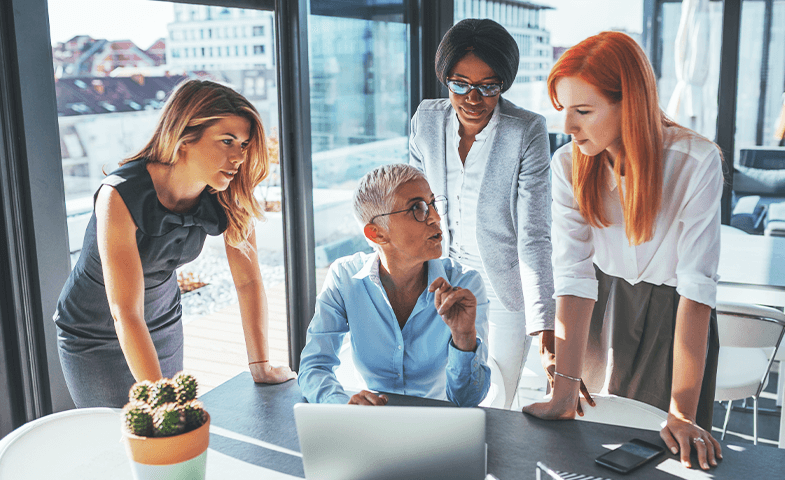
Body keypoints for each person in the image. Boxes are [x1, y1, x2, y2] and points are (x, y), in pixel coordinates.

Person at [523, 31, 724, 471]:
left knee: (667, 461)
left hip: (677, 318)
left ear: (628, 104)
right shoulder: (567, 166)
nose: (568, 128)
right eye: (563, 110)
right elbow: (574, 278)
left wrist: (682, 413)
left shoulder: (696, 161)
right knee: (589, 454)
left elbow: (695, 288)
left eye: (583, 111)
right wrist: (563, 389)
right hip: (599, 311)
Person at [55, 79, 295, 408]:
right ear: (184, 137)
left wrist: (260, 366)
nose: (239, 156)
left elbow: (249, 280)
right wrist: (162, 400)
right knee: (118, 436)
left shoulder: (228, 192)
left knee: (171, 437)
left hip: (162, 320)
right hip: (94, 331)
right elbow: (124, 312)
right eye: (227, 141)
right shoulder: (119, 194)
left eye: (243, 143)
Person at [409, 18, 555, 408]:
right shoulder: (426, 120)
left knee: (498, 397)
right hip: (444, 279)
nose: (473, 99)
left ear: (503, 85)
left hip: (505, 286)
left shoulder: (526, 131)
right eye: (460, 84)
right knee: (444, 387)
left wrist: (543, 324)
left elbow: (535, 235)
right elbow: (414, 209)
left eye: (488, 87)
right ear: (445, 79)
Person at [298, 164, 490, 407]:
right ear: (377, 234)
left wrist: (464, 338)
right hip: (371, 427)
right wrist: (342, 406)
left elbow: (468, 401)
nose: (436, 217)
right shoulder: (344, 278)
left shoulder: (464, 285)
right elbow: (314, 366)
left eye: (432, 204)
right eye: (417, 208)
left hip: (440, 427)